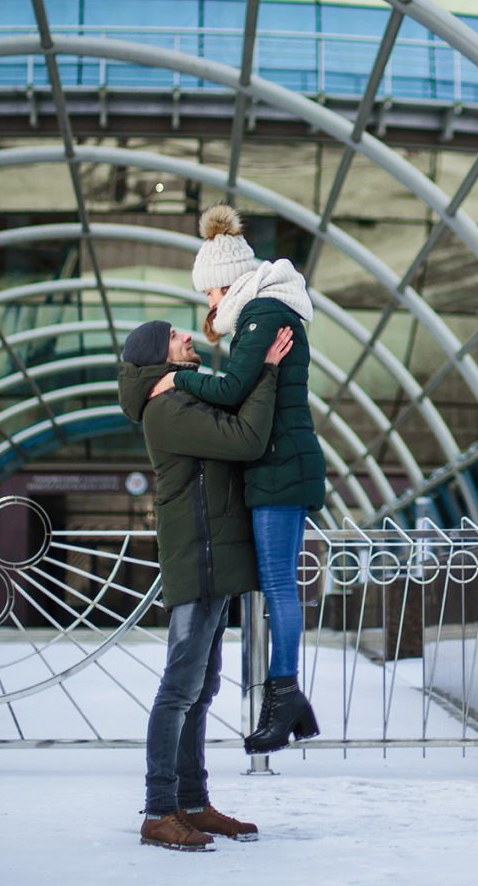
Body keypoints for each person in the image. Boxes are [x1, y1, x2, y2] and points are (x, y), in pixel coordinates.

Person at [118, 317, 294, 852]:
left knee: (200, 689)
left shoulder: (183, 398)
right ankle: (158, 810)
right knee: (178, 689)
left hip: (212, 560)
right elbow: (244, 439)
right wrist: (264, 372)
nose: (188, 337)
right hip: (198, 560)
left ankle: (192, 804)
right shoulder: (166, 408)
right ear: (156, 354)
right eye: (175, 337)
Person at [159, 204, 325, 755]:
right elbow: (244, 386)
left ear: (224, 283)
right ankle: (286, 697)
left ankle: (283, 697)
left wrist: (177, 382)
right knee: (277, 585)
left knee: (279, 585)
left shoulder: (261, 313)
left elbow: (231, 391)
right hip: (279, 464)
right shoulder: (264, 313)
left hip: (279, 465)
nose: (208, 305)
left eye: (208, 293)